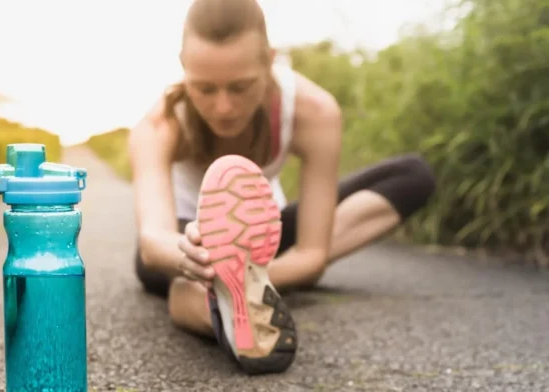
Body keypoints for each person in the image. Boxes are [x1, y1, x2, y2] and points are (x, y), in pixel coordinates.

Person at [127, 0, 436, 376]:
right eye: (204, 88)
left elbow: (311, 254)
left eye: (240, 87)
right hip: (184, 246)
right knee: (172, 273)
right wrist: (195, 262)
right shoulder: (158, 124)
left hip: (260, 242)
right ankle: (220, 308)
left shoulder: (314, 111)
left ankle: (234, 293)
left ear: (270, 60)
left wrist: (246, 271)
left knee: (413, 175)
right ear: (182, 66)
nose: (223, 107)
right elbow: (152, 240)